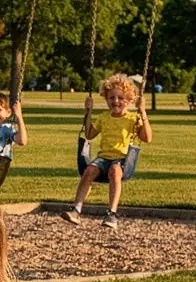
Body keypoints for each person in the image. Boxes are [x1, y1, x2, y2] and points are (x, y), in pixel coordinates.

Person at [63, 74, 152, 229]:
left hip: (122, 159)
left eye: (120, 98)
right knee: (89, 170)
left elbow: (146, 138)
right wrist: (88, 111)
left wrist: (143, 113)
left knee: (115, 172)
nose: (115, 101)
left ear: (130, 100)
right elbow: (89, 134)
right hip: (103, 158)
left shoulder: (132, 118)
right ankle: (76, 210)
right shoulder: (104, 117)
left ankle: (112, 213)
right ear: (106, 99)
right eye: (111, 98)